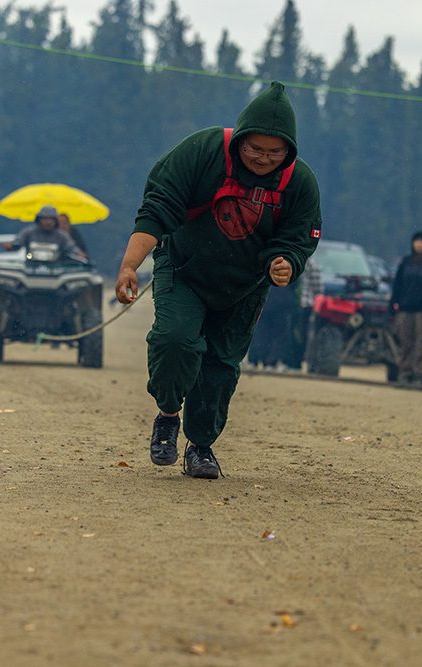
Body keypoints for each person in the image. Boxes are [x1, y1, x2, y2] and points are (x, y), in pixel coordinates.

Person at [115, 81, 322, 479]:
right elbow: (158, 207)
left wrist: (287, 262)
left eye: (274, 152)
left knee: (220, 367)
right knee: (174, 340)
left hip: (244, 286)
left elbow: (299, 237)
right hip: (184, 269)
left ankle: (200, 446)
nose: (263, 159)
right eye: (255, 149)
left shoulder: (299, 183)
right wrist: (129, 266)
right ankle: (167, 415)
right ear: (239, 139)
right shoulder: (203, 151)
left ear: (289, 150)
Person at [390, 231, 422, 391]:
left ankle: (421, 376)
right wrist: (393, 304)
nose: (420, 244)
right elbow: (397, 285)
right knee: (405, 343)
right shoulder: (405, 262)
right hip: (405, 310)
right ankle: (405, 373)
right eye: (417, 241)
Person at [4, 205, 83, 260]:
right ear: (39, 219)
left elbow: (72, 248)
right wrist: (10, 246)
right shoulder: (29, 232)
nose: (48, 222)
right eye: (45, 219)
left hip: (57, 269)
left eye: (50, 219)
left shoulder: (62, 235)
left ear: (55, 220)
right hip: (30, 267)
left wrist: (79, 254)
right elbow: (17, 243)